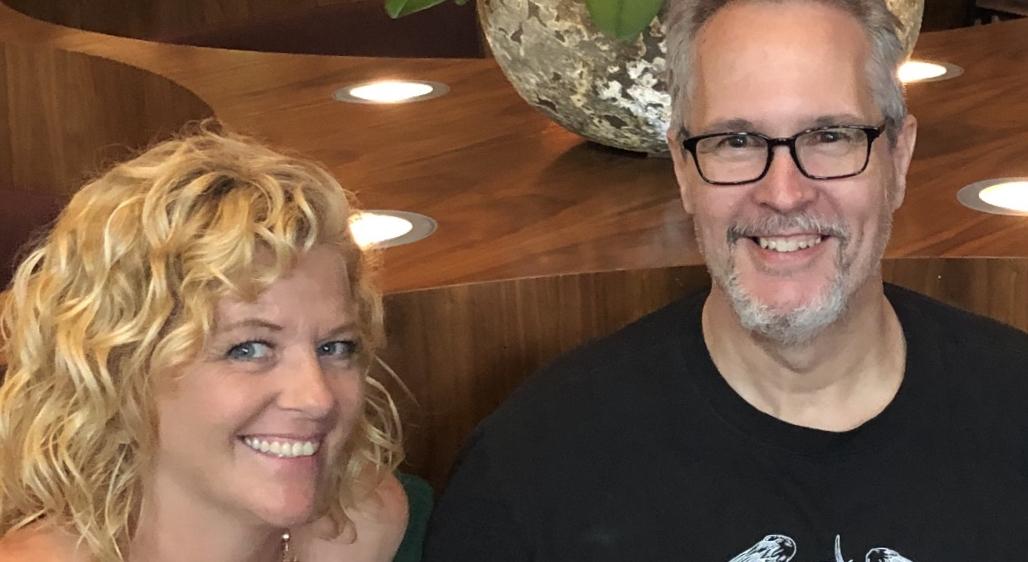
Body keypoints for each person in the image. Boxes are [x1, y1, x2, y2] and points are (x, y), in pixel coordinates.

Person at [422, 0, 1028, 560]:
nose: (784, 193)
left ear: (898, 159)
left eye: (830, 136)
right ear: (684, 170)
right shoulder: (531, 470)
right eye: (736, 141)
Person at [0, 125, 412, 561]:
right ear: (120, 366)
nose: (317, 398)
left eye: (335, 348)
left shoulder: (360, 526)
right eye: (249, 349)